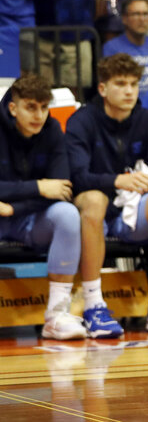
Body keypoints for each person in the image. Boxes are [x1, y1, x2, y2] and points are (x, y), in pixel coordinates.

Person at [67, 54, 148, 337]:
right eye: (120, 84)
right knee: (94, 198)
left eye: (134, 84)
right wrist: (117, 180)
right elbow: (76, 177)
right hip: (94, 212)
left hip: (135, 211)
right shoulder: (82, 121)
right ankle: (93, 306)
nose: (128, 91)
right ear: (102, 89)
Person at [0, 74, 85, 340]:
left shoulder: (52, 132)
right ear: (13, 108)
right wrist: (39, 186)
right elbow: (46, 188)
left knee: (68, 214)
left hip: (26, 218)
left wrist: (15, 207)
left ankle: (57, 315)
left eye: (44, 107)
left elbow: (60, 189)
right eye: (31, 107)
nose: (39, 115)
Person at [102, 0, 148, 92]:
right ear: (124, 19)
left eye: (146, 14)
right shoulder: (112, 47)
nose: (142, 19)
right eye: (136, 14)